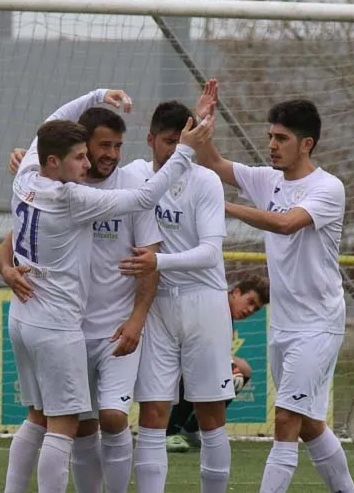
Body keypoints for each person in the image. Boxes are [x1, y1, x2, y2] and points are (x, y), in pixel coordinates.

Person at [1, 104, 215, 493]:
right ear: (56, 161)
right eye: (83, 154)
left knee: (39, 418)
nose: (92, 161)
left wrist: (99, 94)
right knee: (63, 426)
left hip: (25, 316)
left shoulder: (27, 177)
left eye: (115, 147)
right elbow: (146, 194)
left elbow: (50, 122)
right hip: (59, 324)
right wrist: (184, 150)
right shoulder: (72, 196)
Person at [194, 82, 354, 493]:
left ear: (307, 144)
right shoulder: (269, 180)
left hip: (319, 324)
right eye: (270, 136)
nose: (271, 144)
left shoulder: (328, 188)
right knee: (308, 425)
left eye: (281, 138)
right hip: (284, 324)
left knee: (285, 421)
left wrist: (221, 206)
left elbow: (286, 224)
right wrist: (203, 122)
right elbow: (214, 165)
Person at [116, 83, 235, 493]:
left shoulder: (206, 182)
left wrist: (158, 261)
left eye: (179, 142)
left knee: (210, 416)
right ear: (150, 140)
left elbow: (209, 254)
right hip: (158, 307)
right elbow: (87, 172)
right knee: (152, 414)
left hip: (204, 305)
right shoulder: (132, 175)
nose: (173, 150)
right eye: (167, 142)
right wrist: (27, 161)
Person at [166, 277, 270, 453]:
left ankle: (191, 429)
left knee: (240, 369)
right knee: (224, 370)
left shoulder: (226, 315)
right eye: (250, 302)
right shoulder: (215, 306)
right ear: (236, 292)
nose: (250, 310)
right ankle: (169, 432)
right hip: (168, 358)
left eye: (255, 308)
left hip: (189, 360)